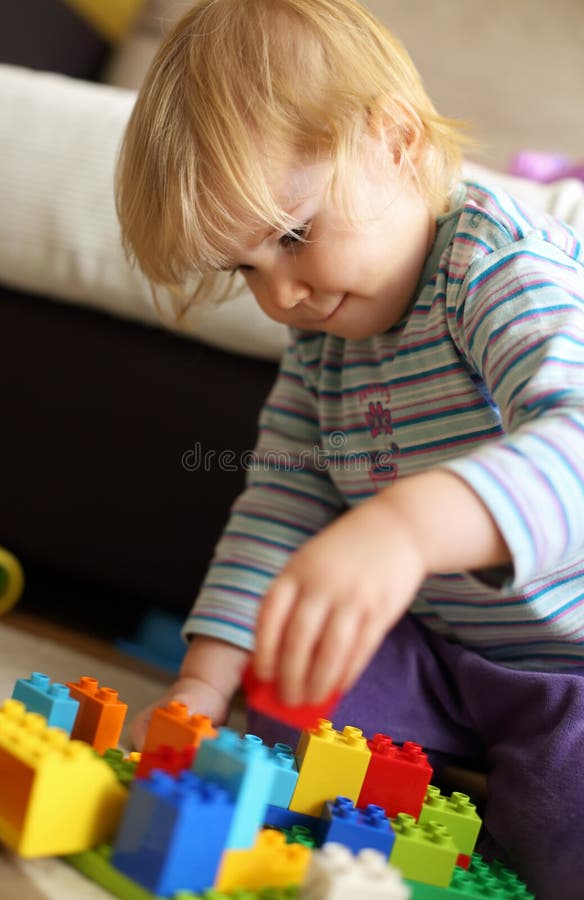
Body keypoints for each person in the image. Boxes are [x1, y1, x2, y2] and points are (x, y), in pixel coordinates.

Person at [115, 1, 584, 896]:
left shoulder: (499, 266)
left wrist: (406, 529)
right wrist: (201, 688)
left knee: (564, 836)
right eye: (245, 267)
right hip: (445, 653)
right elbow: (280, 506)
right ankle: (456, 782)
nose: (280, 294)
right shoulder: (320, 341)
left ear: (396, 141)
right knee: (280, 709)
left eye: (293, 235)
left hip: (571, 664)